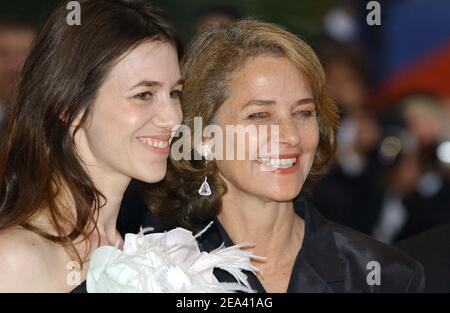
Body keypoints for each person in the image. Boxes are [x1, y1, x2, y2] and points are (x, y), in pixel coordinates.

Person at [146, 20, 425, 293]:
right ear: (203, 137)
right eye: (259, 115)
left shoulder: (384, 276)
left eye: (303, 113)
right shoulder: (157, 272)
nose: (290, 136)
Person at [0, 0, 182, 292]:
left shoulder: (148, 251)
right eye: (144, 94)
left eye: (174, 93)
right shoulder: (15, 260)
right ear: (69, 105)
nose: (173, 118)